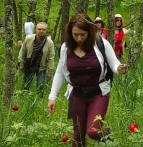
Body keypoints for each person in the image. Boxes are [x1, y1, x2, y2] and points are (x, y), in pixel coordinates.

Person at [48, 13, 127, 147]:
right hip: (77, 95)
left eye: (83, 34)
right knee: (78, 136)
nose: (79, 38)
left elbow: (114, 63)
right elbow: (60, 71)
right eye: (75, 34)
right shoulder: (65, 47)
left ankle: (108, 137)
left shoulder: (101, 43)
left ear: (89, 32)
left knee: (93, 131)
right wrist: (52, 96)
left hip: (98, 93)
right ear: (70, 32)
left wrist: (119, 68)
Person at [18, 22, 55, 97]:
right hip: (29, 65)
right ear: (36, 30)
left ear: (46, 31)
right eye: (39, 29)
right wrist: (21, 64)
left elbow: (51, 57)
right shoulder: (29, 39)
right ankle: (24, 99)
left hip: (41, 67)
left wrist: (50, 70)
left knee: (40, 87)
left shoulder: (49, 42)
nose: (41, 31)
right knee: (25, 86)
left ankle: (38, 100)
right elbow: (22, 52)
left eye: (43, 29)